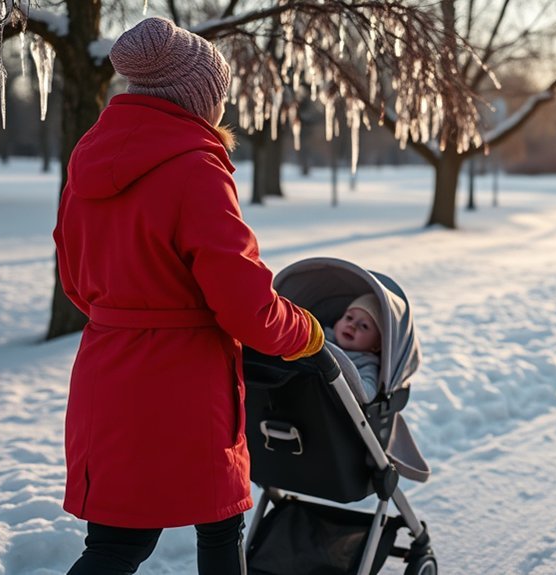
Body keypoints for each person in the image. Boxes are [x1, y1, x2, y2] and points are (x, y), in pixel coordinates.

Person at [52, 17, 323, 575]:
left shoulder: (88, 160)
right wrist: (305, 332)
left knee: (114, 544)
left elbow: (75, 280)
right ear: (198, 98)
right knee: (221, 529)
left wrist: (128, 314)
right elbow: (245, 302)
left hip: (106, 373)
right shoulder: (196, 168)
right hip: (186, 386)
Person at [324, 294, 383, 400]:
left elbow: (368, 394)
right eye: (349, 318)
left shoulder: (366, 363)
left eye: (364, 326)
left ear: (376, 345)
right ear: (337, 323)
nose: (352, 325)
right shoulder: (320, 338)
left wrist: (345, 368)